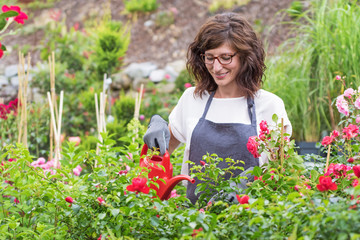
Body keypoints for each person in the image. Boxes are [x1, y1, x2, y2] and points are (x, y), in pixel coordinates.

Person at [143, 12, 292, 205]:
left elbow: (282, 169)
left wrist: (246, 186)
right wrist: (157, 127)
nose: (216, 67)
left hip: (252, 220)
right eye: (210, 57)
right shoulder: (192, 99)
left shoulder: (269, 105)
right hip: (194, 223)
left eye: (225, 57)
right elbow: (159, 155)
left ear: (246, 57)